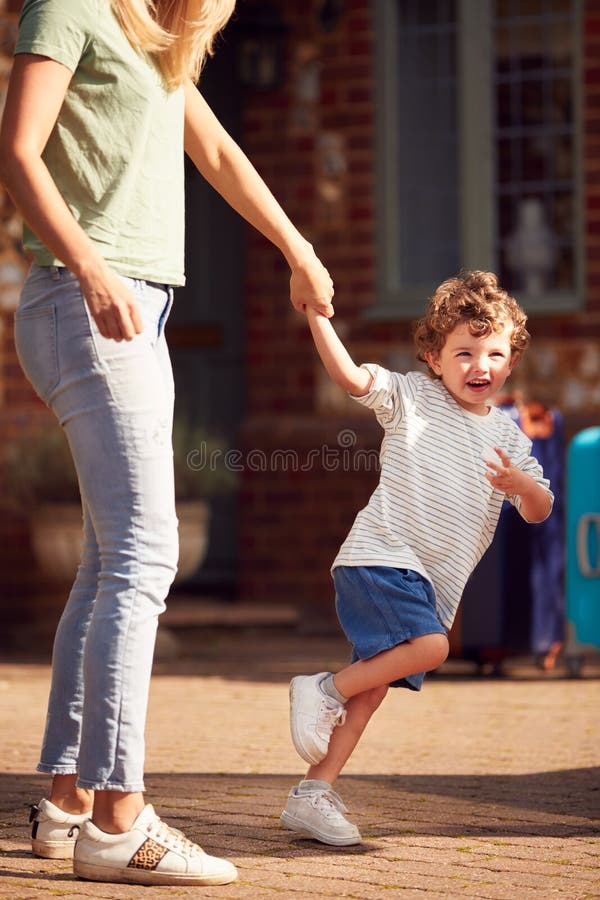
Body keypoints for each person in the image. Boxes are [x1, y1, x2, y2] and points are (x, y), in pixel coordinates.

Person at [0, 0, 333, 887]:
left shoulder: (156, 39)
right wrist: (92, 266)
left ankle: (68, 805)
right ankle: (120, 819)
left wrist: (298, 251)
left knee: (110, 559)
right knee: (147, 557)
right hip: (87, 298)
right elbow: (20, 151)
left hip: (136, 306)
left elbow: (219, 152)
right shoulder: (67, 9)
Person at [280, 270, 553, 847]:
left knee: (372, 690)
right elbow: (350, 377)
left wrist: (519, 485)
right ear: (433, 356)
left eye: (495, 353)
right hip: (380, 558)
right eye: (465, 352)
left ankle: (312, 794)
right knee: (433, 646)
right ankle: (322, 689)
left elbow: (540, 509)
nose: (481, 365)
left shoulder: (509, 438)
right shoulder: (411, 396)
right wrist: (315, 316)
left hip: (427, 583)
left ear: (511, 361)